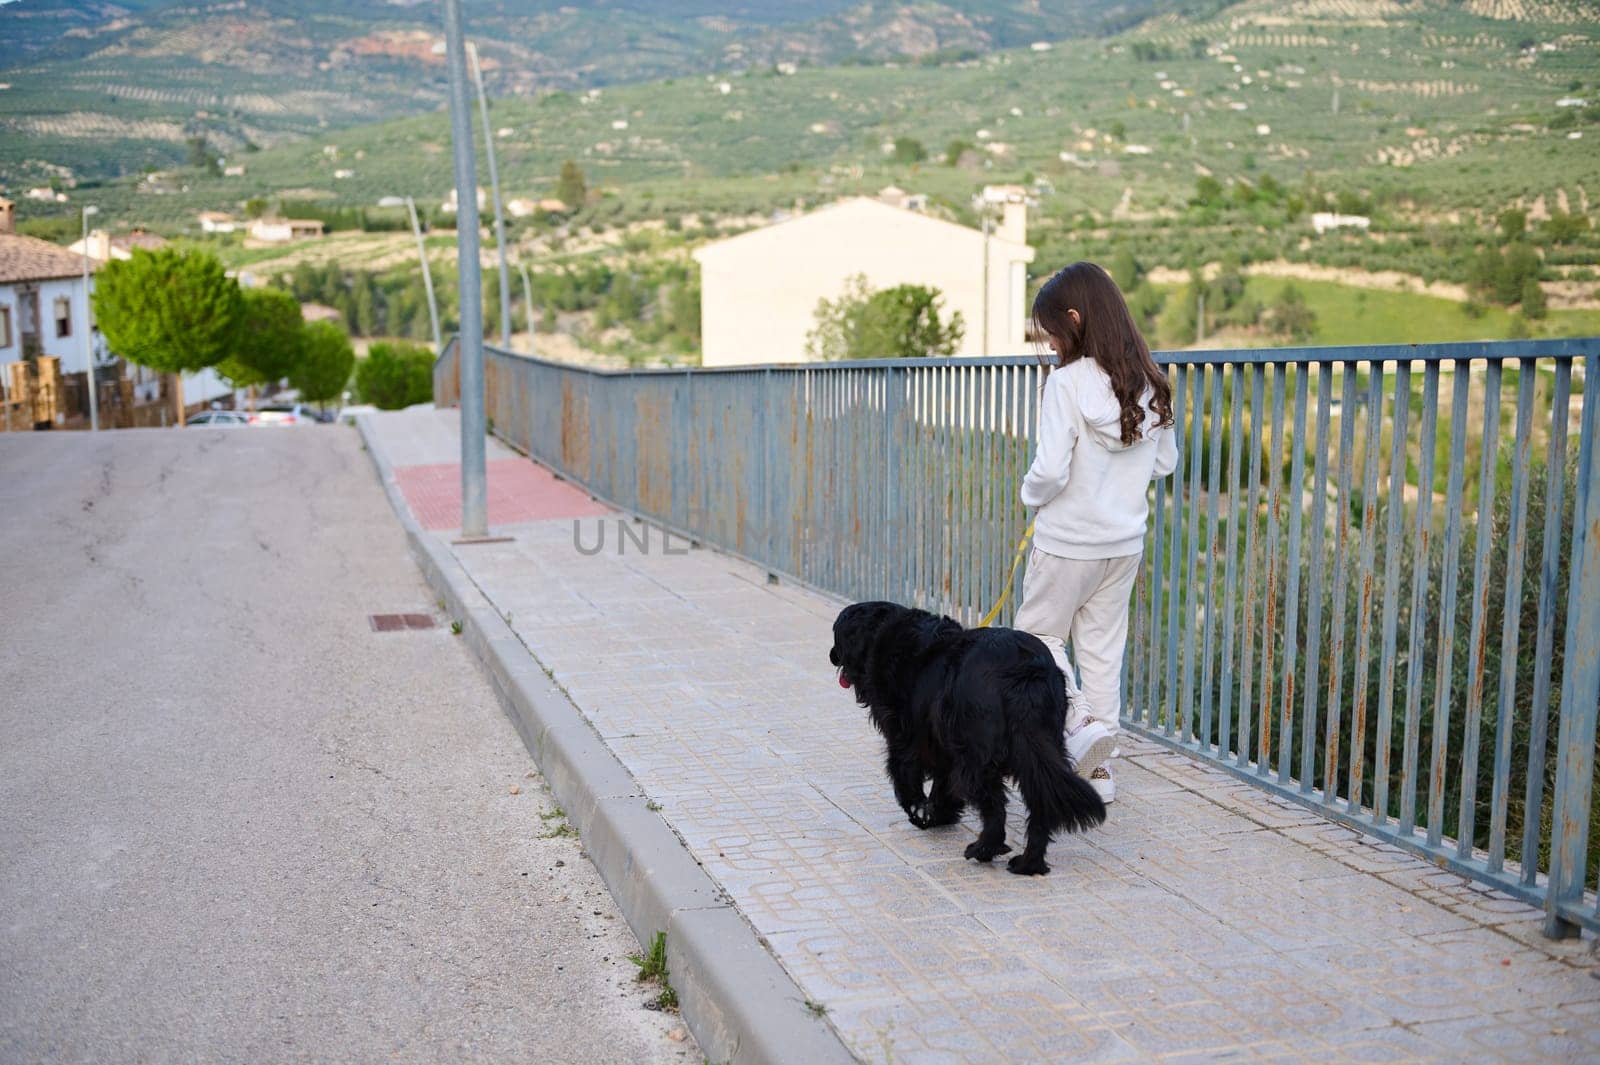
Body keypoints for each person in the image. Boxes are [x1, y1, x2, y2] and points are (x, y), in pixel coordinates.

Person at [1013, 261, 1178, 803]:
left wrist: (1028, 495)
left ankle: (1078, 723)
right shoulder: (1152, 381)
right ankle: (1100, 772)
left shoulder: (1065, 384)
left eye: (1052, 330)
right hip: (1123, 544)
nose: (1052, 342)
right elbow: (1164, 465)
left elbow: (1051, 470)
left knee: (1036, 637)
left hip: (1067, 543)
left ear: (1075, 319)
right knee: (1103, 651)